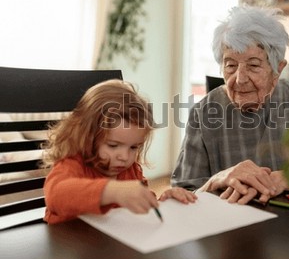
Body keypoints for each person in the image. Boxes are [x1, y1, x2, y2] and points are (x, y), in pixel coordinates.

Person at [172, 5, 289, 205]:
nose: (239, 79)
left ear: (278, 69)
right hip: (228, 226)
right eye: (230, 65)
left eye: (253, 65)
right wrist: (217, 179)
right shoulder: (203, 113)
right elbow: (181, 193)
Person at [43, 79, 197, 224]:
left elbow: (137, 201)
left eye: (133, 147)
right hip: (67, 245)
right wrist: (112, 191)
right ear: (86, 136)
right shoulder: (73, 164)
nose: (124, 157)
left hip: (108, 246)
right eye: (112, 145)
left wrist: (162, 201)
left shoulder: (130, 170)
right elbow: (55, 195)